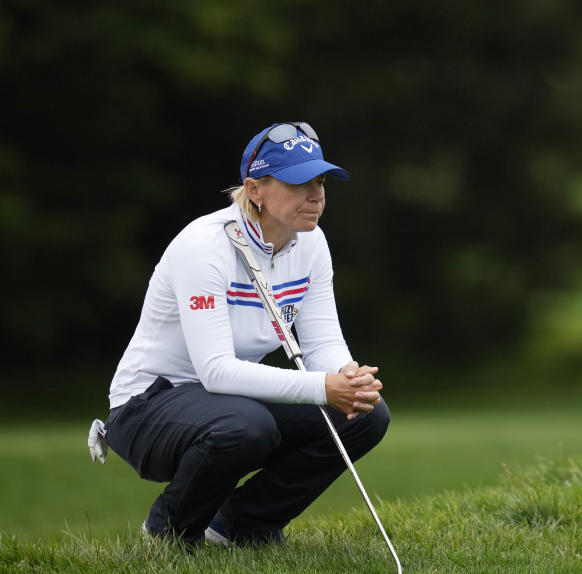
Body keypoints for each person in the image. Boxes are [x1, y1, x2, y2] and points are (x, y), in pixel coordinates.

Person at [101, 122, 388, 546]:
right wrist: (325, 387)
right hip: (147, 406)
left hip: (224, 402)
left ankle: (241, 524)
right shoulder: (203, 246)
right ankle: (168, 534)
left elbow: (322, 342)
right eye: (299, 183)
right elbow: (215, 371)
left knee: (365, 415)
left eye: (321, 182)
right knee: (247, 426)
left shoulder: (311, 242)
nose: (316, 195)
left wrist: (349, 378)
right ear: (255, 190)